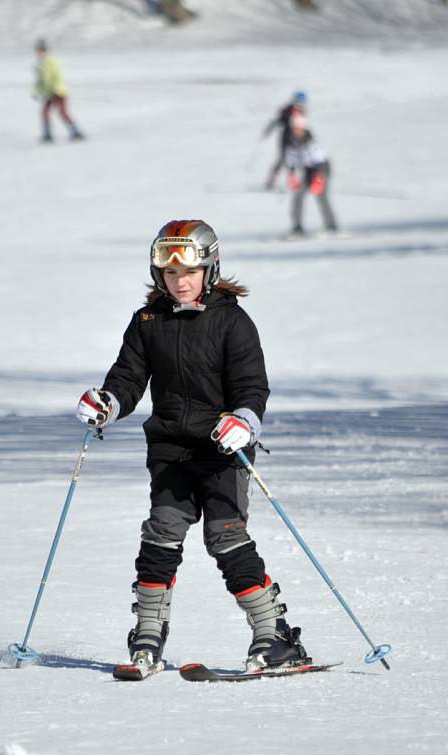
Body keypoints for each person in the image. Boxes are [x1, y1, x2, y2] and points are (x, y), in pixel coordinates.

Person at [76, 219, 309, 676]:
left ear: (210, 269)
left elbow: (251, 386)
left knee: (225, 539)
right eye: (169, 274)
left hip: (223, 450)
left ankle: (274, 635)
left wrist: (244, 420)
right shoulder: (148, 322)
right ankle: (147, 634)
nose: (179, 283)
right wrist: (107, 403)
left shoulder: (231, 321)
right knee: (161, 533)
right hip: (169, 449)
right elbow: (127, 379)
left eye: (189, 273)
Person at [285, 114, 338, 238]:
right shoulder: (291, 141)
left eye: (299, 128)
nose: (296, 130)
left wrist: (319, 178)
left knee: (321, 197)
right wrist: (292, 175)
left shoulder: (311, 142)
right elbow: (292, 160)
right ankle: (297, 227)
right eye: (294, 128)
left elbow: (320, 161)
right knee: (298, 197)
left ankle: (332, 226)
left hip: (321, 169)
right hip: (307, 170)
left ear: (303, 128)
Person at [33, 39, 84, 143]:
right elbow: (40, 80)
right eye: (38, 50)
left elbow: (57, 77)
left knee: (62, 112)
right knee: (45, 112)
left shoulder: (51, 61)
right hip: (49, 92)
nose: (39, 52)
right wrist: (36, 92)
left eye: (41, 50)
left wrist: (54, 89)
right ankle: (47, 134)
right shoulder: (41, 63)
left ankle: (75, 132)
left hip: (58, 92)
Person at [262, 90, 307, 190]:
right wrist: (269, 129)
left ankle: (293, 182)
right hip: (285, 139)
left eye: (301, 102)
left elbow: (302, 128)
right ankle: (270, 181)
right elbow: (278, 121)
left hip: (296, 140)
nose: (299, 104)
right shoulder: (287, 110)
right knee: (282, 160)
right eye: (297, 102)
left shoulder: (302, 112)